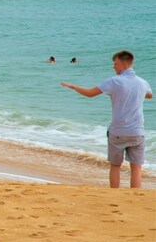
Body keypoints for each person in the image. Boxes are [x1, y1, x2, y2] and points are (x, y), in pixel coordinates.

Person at [60, 50, 152, 188]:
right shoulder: (142, 82)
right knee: (136, 168)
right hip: (137, 132)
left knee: (115, 166)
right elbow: (150, 95)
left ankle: (114, 194)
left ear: (124, 64)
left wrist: (73, 86)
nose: (113, 67)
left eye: (115, 64)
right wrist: (135, 95)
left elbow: (90, 93)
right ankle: (135, 196)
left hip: (118, 133)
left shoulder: (114, 81)